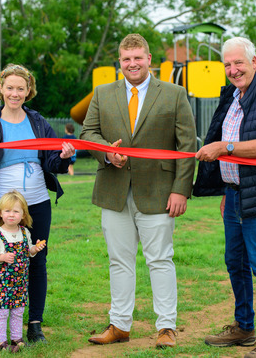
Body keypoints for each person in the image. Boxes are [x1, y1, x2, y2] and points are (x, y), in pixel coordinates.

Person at [80, 33, 196, 348]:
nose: (132, 64)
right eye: (126, 59)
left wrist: (181, 190)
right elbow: (88, 132)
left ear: (148, 59)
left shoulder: (174, 93)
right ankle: (119, 325)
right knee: (119, 260)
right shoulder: (103, 93)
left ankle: (166, 328)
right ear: (120, 62)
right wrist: (107, 152)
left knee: (160, 259)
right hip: (113, 190)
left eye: (138, 58)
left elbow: (187, 145)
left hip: (159, 192)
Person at [193, 37, 256, 358]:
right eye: (227, 64)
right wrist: (226, 186)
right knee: (235, 262)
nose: (233, 70)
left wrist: (224, 148)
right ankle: (244, 327)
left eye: (238, 63)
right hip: (234, 194)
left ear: (254, 62)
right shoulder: (235, 95)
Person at [0, 63, 75, 346]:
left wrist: (64, 156)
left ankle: (34, 326)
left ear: (29, 90)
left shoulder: (39, 123)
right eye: (9, 88)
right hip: (5, 211)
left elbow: (53, 161)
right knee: (2, 265)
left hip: (38, 204)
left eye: (21, 88)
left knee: (37, 260)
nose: (15, 93)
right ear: (0, 89)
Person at [0, 190, 47, 352]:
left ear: (23, 215)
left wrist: (35, 248)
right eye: (7, 211)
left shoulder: (24, 233)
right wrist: (2, 256)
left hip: (19, 283)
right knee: (2, 313)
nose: (11, 215)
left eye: (16, 211)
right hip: (2, 284)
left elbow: (29, 252)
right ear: (0, 214)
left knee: (18, 312)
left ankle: (16, 338)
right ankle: (1, 341)